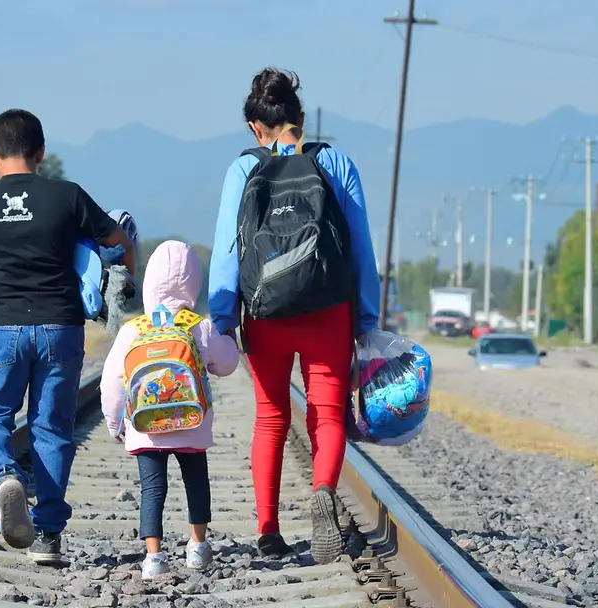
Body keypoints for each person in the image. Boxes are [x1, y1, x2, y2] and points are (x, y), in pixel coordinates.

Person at [208, 68, 380, 564]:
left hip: (266, 313)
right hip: (328, 310)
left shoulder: (243, 169)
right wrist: (366, 320)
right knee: (327, 414)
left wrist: (224, 318)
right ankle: (323, 490)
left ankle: (268, 530)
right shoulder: (336, 163)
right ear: (301, 120)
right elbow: (362, 251)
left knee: (271, 418)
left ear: (254, 128)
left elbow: (227, 250)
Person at [0, 109, 136, 564]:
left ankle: (4, 476)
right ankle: (48, 537)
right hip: (60, 327)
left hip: (2, 327)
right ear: (41, 153)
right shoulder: (67, 196)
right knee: (51, 430)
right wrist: (125, 283)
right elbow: (119, 241)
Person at [100, 240, 239, 579]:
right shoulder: (198, 325)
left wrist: (115, 423)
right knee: (196, 482)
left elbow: (112, 382)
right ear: (194, 282)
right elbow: (227, 364)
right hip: (191, 424)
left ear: (150, 282)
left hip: (146, 427)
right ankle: (197, 547)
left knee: (152, 489)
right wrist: (229, 337)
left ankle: (154, 556)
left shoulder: (134, 329)